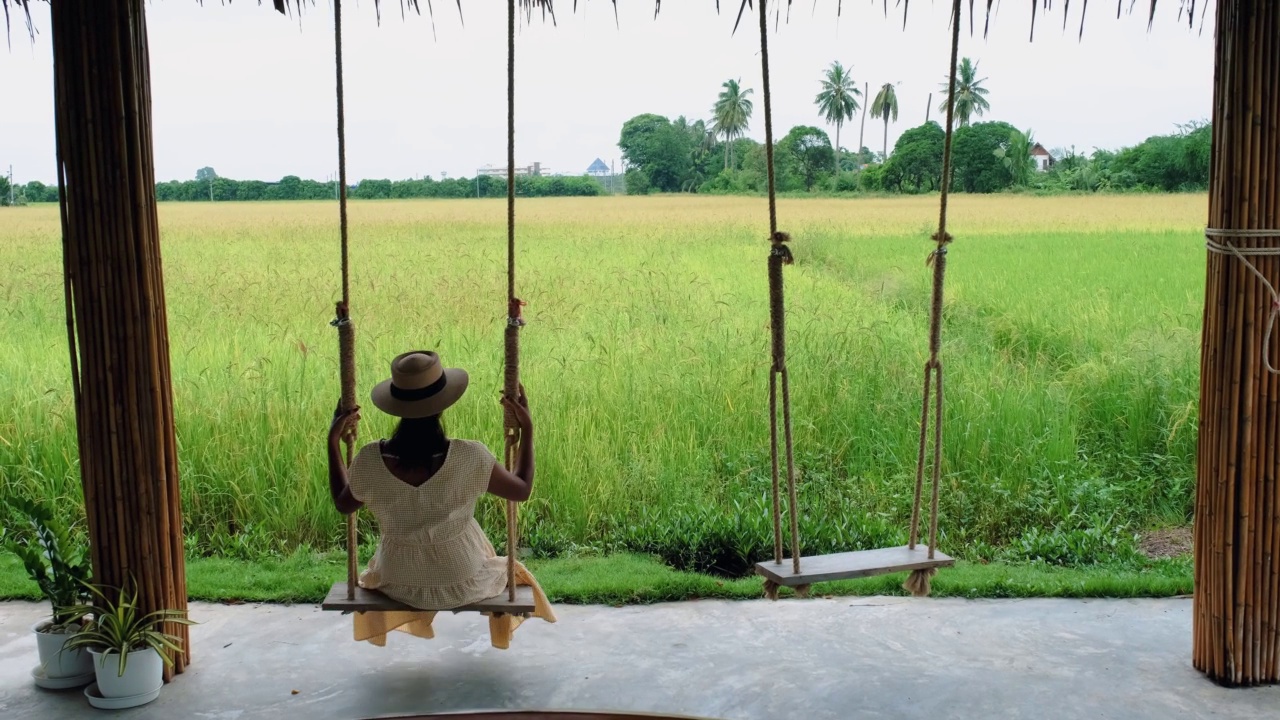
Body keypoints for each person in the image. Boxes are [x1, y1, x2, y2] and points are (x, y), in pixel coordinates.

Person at [326, 350, 555, 649]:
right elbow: (521, 489)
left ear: (396, 407)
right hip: (459, 578)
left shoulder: (370, 459)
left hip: (399, 580)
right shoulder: (469, 457)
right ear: (443, 404)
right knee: (489, 552)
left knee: (460, 535)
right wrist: (528, 431)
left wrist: (332, 443)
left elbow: (344, 504)